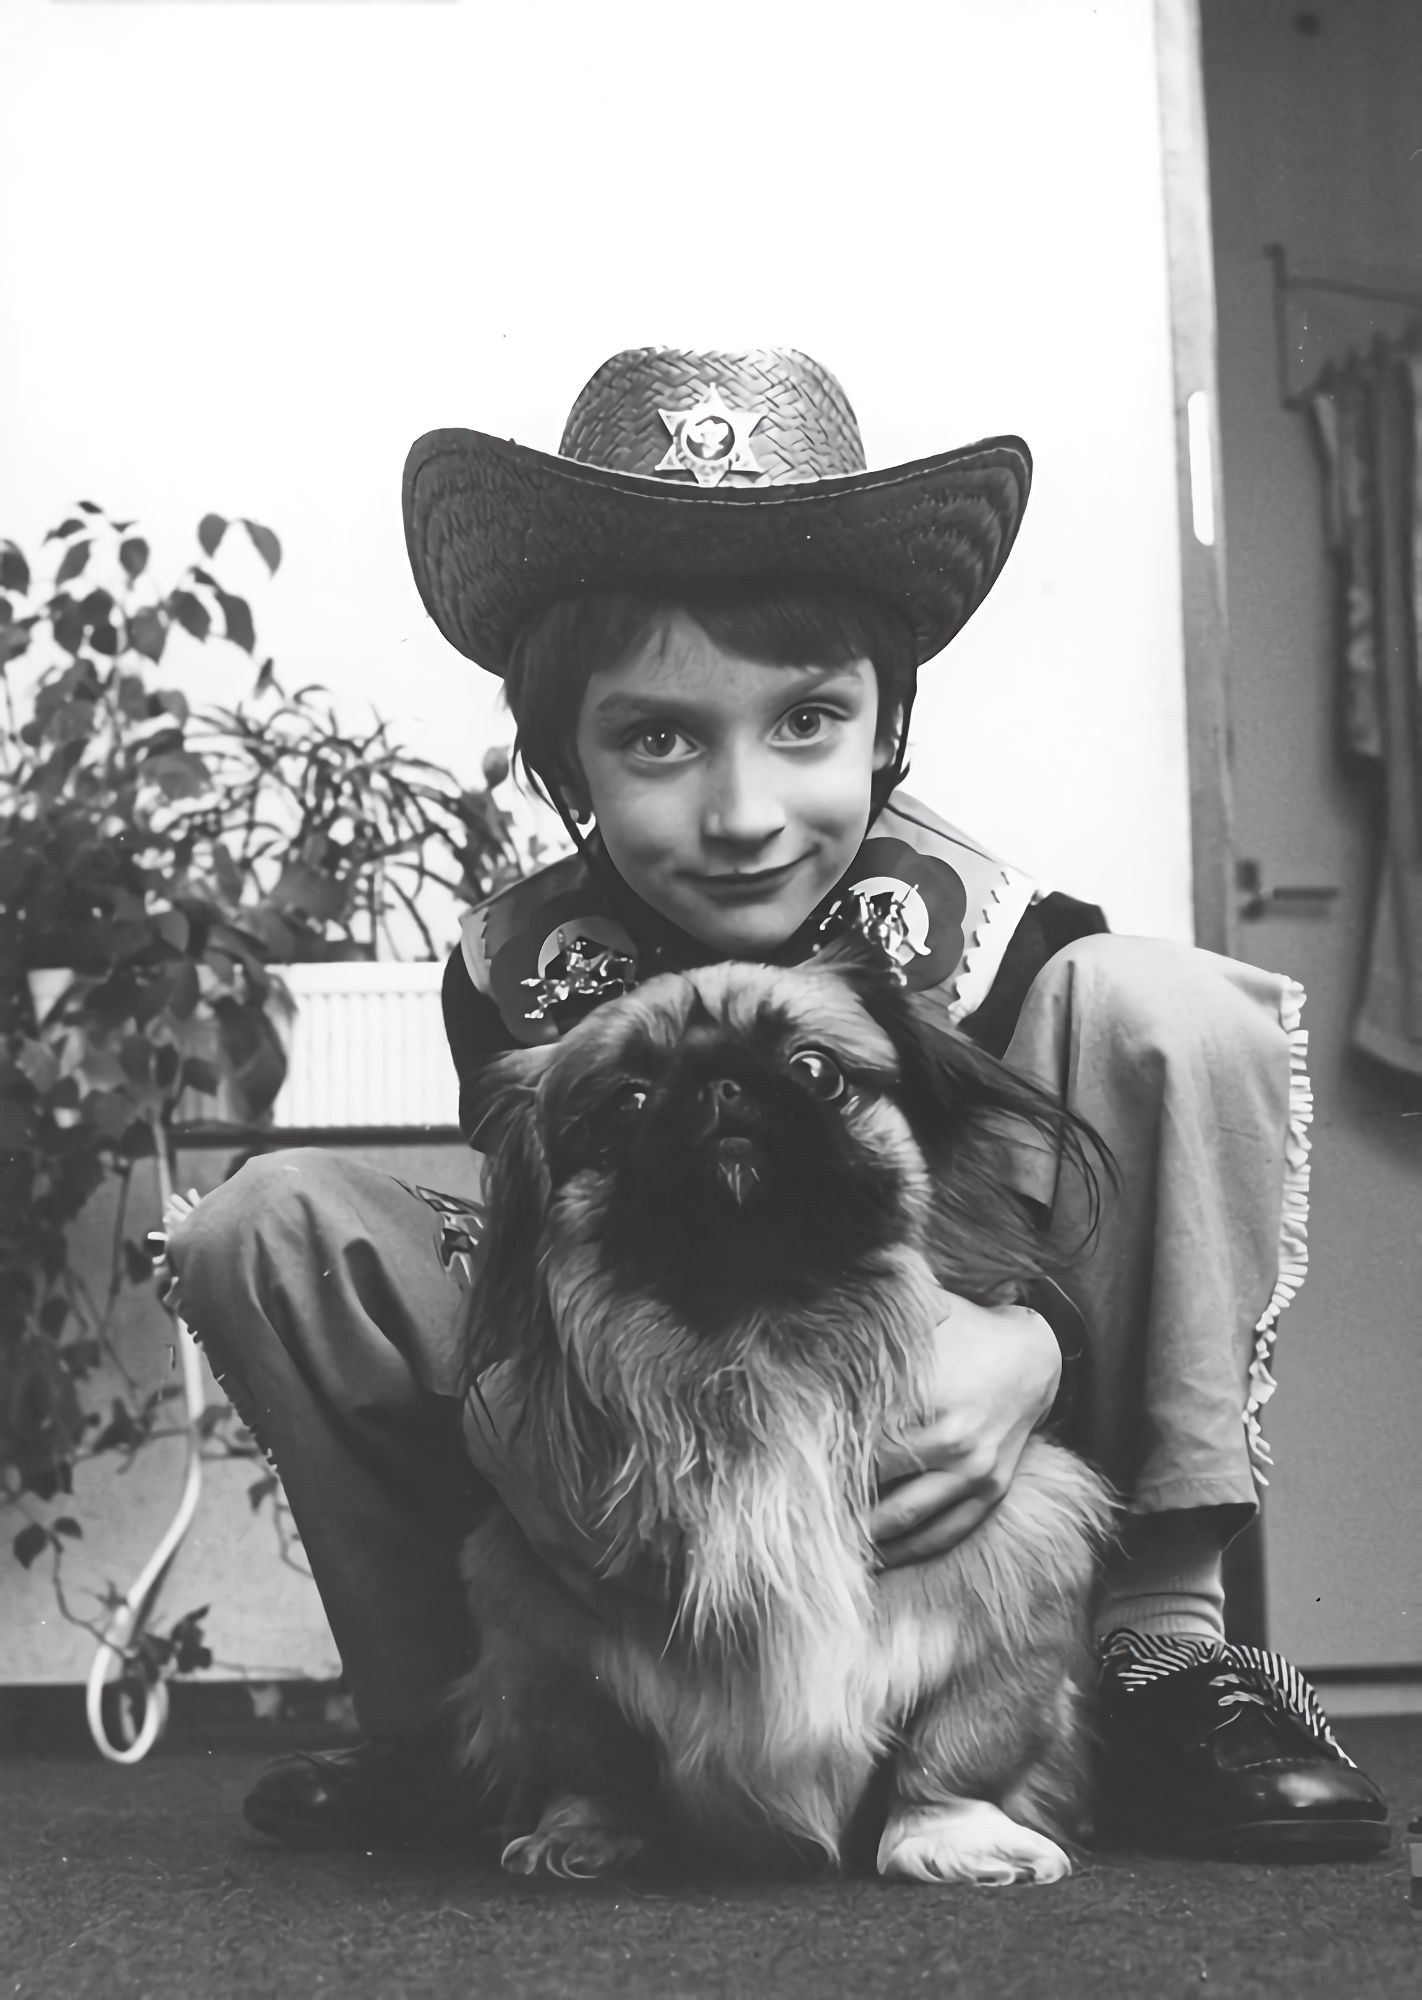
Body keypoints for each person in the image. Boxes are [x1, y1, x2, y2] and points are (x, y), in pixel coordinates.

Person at [165, 346, 1388, 1862]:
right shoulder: (514, 968)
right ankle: (467, 1719)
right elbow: (538, 1252)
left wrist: (1037, 1347)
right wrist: (502, 1408)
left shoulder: (1002, 938)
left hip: (937, 1414)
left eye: (804, 722)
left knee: (1171, 1004)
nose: (741, 813)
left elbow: (1027, 1232)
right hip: (640, 1456)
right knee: (264, 1220)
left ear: (886, 727)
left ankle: (1166, 1654)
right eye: (659, 738)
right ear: (564, 761)